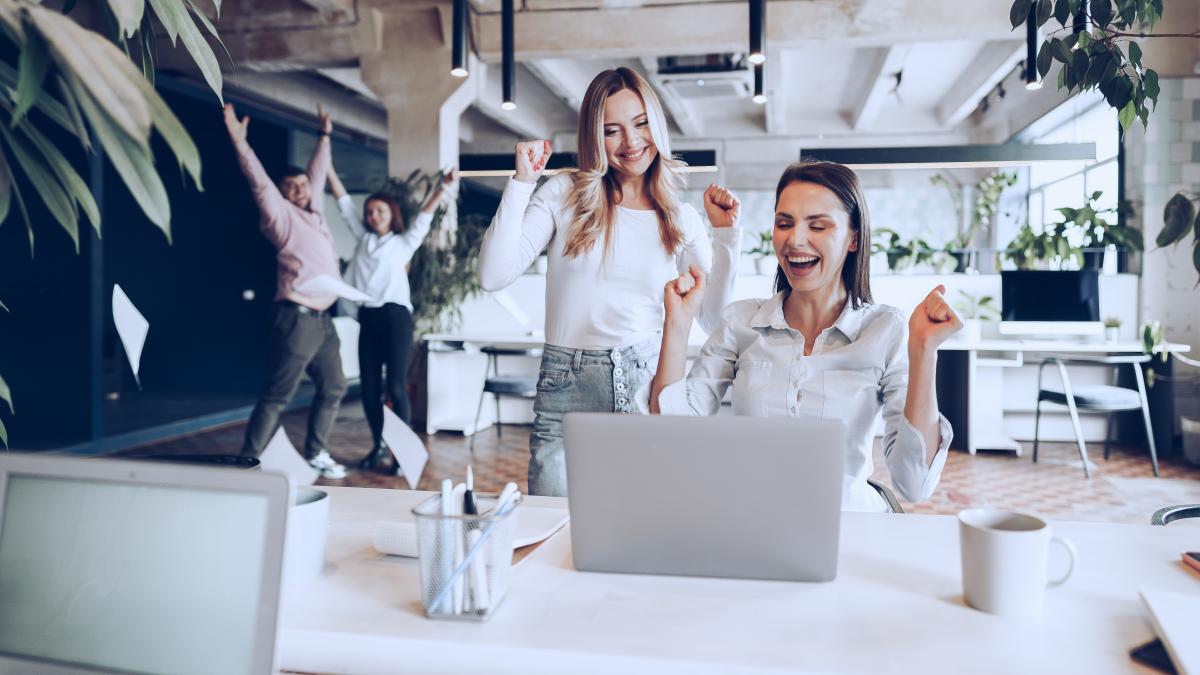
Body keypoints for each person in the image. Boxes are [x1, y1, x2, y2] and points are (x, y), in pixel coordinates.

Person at [478, 66, 742, 497]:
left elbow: (713, 319)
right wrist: (522, 183)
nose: (631, 142)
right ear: (593, 138)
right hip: (567, 383)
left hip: (646, 382)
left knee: (637, 530)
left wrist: (726, 237)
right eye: (611, 131)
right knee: (552, 528)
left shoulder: (680, 216)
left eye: (641, 125)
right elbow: (493, 274)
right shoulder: (564, 192)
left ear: (656, 124)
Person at [647, 160, 961, 512]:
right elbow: (670, 436)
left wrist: (924, 351)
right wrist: (678, 321)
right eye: (785, 223)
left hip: (851, 526)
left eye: (818, 225)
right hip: (755, 523)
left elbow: (914, 485)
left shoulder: (885, 330)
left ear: (854, 238)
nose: (795, 239)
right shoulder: (741, 322)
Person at [225, 102, 348, 479]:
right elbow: (259, 181)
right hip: (296, 317)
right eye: (289, 186)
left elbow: (318, 170)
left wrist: (324, 135)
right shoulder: (280, 217)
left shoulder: (316, 214)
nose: (297, 189)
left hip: (324, 320)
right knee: (279, 394)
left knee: (335, 386)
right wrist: (239, 142)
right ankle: (248, 461)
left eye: (301, 185)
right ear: (281, 194)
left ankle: (317, 452)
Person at [326, 164, 457, 473]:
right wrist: (329, 166)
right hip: (368, 318)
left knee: (396, 387)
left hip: (396, 317)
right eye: (370, 212)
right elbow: (344, 203)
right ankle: (377, 447)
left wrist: (443, 187)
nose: (373, 216)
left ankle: (403, 453)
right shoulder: (363, 239)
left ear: (391, 213)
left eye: (380, 211)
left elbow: (425, 215)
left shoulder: (403, 243)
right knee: (370, 388)